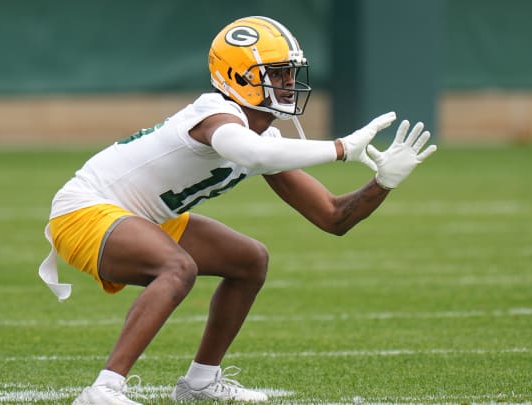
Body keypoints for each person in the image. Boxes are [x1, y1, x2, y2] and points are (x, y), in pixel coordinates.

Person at [38, 15, 436, 405]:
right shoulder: (216, 115)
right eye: (277, 74)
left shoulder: (265, 138)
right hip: (84, 210)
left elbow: (332, 217)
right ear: (239, 76)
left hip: (140, 217)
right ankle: (103, 390)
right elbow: (252, 152)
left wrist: (383, 183)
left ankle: (200, 381)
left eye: (289, 74)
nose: (288, 84)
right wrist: (341, 148)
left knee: (249, 260)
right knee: (178, 268)